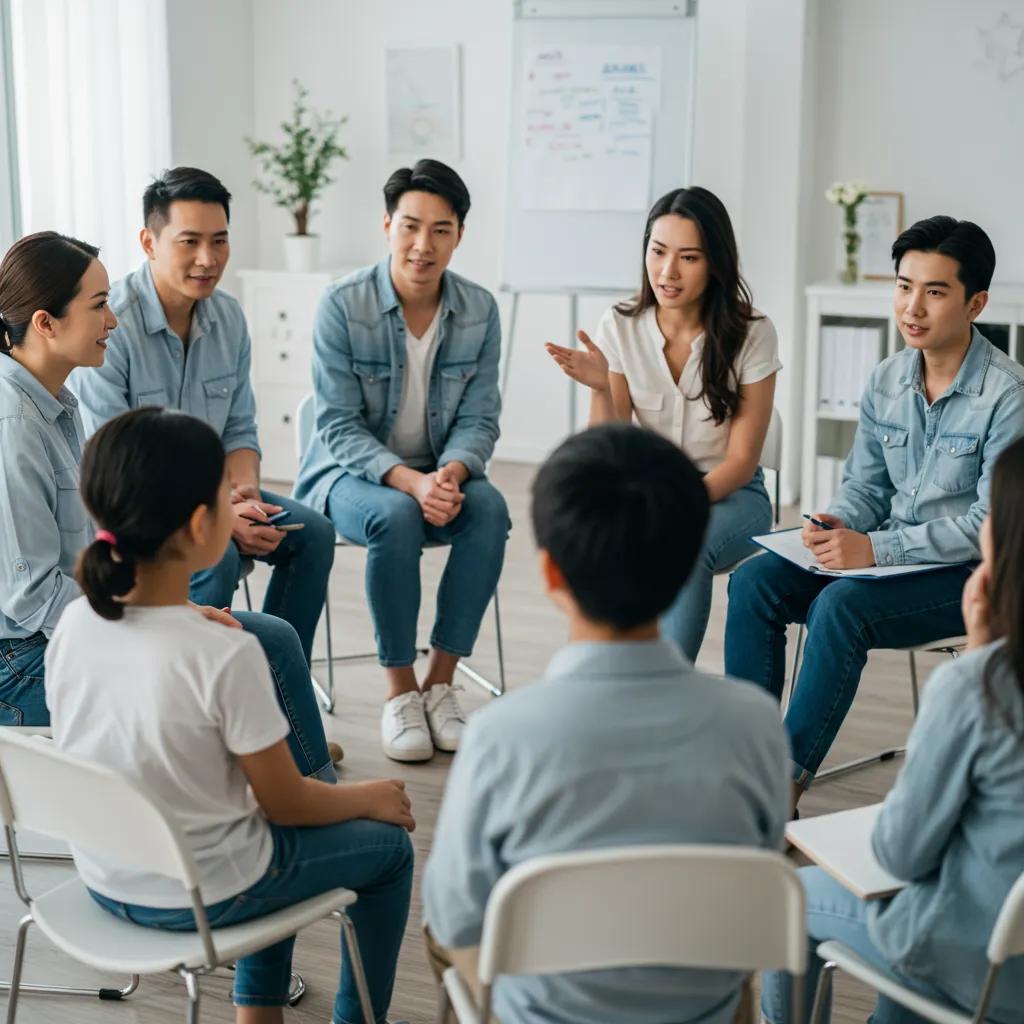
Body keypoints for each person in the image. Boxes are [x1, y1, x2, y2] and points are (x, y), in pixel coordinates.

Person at [47, 406, 414, 1024]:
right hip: (202, 893)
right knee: (389, 851)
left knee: (266, 830)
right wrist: (371, 796)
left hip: (107, 880)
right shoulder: (226, 655)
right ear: (198, 525)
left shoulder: (78, 623)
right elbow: (287, 806)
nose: (238, 500)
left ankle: (259, 1014)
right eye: (227, 492)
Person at [423, 423, 789, 1024]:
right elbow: (759, 871)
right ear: (685, 567)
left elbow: (459, 914)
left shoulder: (502, 736)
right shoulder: (754, 723)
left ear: (552, 576)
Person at [0, 231, 335, 780]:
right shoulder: (12, 425)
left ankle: (293, 782)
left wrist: (166, 613)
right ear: (45, 322)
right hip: (19, 667)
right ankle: (306, 803)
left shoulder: (56, 404)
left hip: (66, 632)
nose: (113, 321)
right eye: (99, 306)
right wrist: (161, 620)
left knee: (264, 637)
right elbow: (33, 597)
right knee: (260, 648)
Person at [724, 215, 1024, 811]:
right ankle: (746, 764)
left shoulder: (1008, 396)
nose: (912, 306)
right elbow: (864, 488)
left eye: (934, 291)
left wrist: (875, 549)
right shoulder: (887, 378)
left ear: (975, 303)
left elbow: (988, 528)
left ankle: (780, 789)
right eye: (904, 286)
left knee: (842, 607)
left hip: (969, 575)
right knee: (754, 580)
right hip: (888, 558)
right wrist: (836, 522)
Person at [762, 435, 1024, 1024]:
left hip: (972, 967)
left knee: (793, 900)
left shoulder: (980, 689)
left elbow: (898, 855)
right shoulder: (890, 382)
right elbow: (865, 484)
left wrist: (981, 657)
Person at [70, 167, 335, 666]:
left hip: (215, 497)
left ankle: (276, 687)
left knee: (313, 534)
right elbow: (116, 463)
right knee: (217, 551)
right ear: (149, 241)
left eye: (220, 241)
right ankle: (202, 690)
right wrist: (220, 516)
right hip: (141, 510)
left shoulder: (229, 317)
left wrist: (244, 494)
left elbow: (239, 427)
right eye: (189, 241)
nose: (207, 259)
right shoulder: (111, 323)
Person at [294, 159, 509, 763]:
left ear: (459, 235)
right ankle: (399, 691)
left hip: (439, 473)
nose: (423, 245)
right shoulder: (343, 304)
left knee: (489, 509)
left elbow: (480, 417)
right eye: (410, 226)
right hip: (349, 477)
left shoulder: (480, 310)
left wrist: (454, 472)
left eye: (441, 230)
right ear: (387, 225)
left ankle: (440, 684)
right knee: (397, 516)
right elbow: (335, 424)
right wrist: (411, 482)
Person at [545, 186, 779, 662]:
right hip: (649, 492)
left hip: (735, 496)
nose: (667, 272)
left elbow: (740, 461)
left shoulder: (752, 332)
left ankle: (664, 686)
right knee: (595, 538)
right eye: (658, 252)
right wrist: (599, 385)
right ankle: (594, 685)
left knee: (684, 545)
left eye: (688, 257)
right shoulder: (620, 325)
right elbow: (605, 449)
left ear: (715, 262)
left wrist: (673, 505)